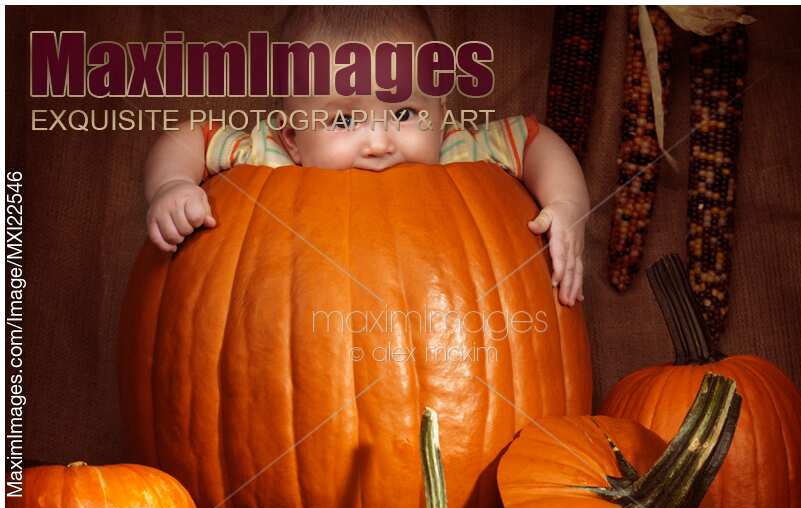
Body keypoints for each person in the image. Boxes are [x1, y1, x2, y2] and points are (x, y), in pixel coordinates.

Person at [144, 7, 590, 305]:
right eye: (342, 121)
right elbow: (192, 137)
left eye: (404, 112)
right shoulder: (270, 154)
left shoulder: (459, 151)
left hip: (435, 333)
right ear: (292, 135)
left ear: (441, 113)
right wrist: (173, 185)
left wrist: (567, 207)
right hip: (299, 337)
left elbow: (535, 141)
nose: (379, 142)